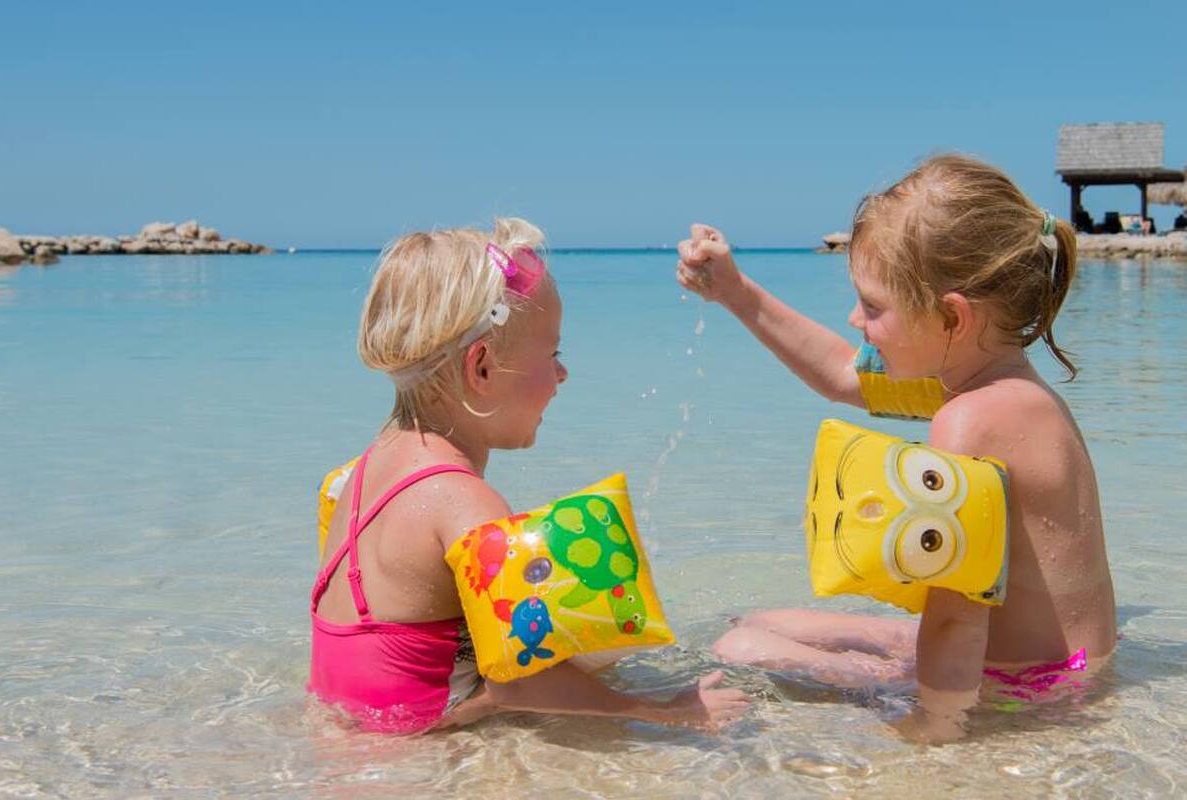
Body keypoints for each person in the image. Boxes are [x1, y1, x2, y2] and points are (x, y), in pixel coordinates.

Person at [675, 155, 1116, 741]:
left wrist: (930, 728)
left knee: (742, 645)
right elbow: (840, 374)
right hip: (1064, 664)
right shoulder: (1001, 387)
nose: (855, 319)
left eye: (874, 306)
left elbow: (958, 617)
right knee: (767, 621)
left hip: (1027, 688)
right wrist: (734, 292)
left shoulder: (966, 422)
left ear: (951, 317)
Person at [308, 218, 749, 734]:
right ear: (484, 368)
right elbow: (517, 682)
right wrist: (663, 711)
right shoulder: (462, 502)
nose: (563, 374)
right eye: (553, 354)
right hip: (417, 749)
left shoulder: (359, 475)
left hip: (350, 733)